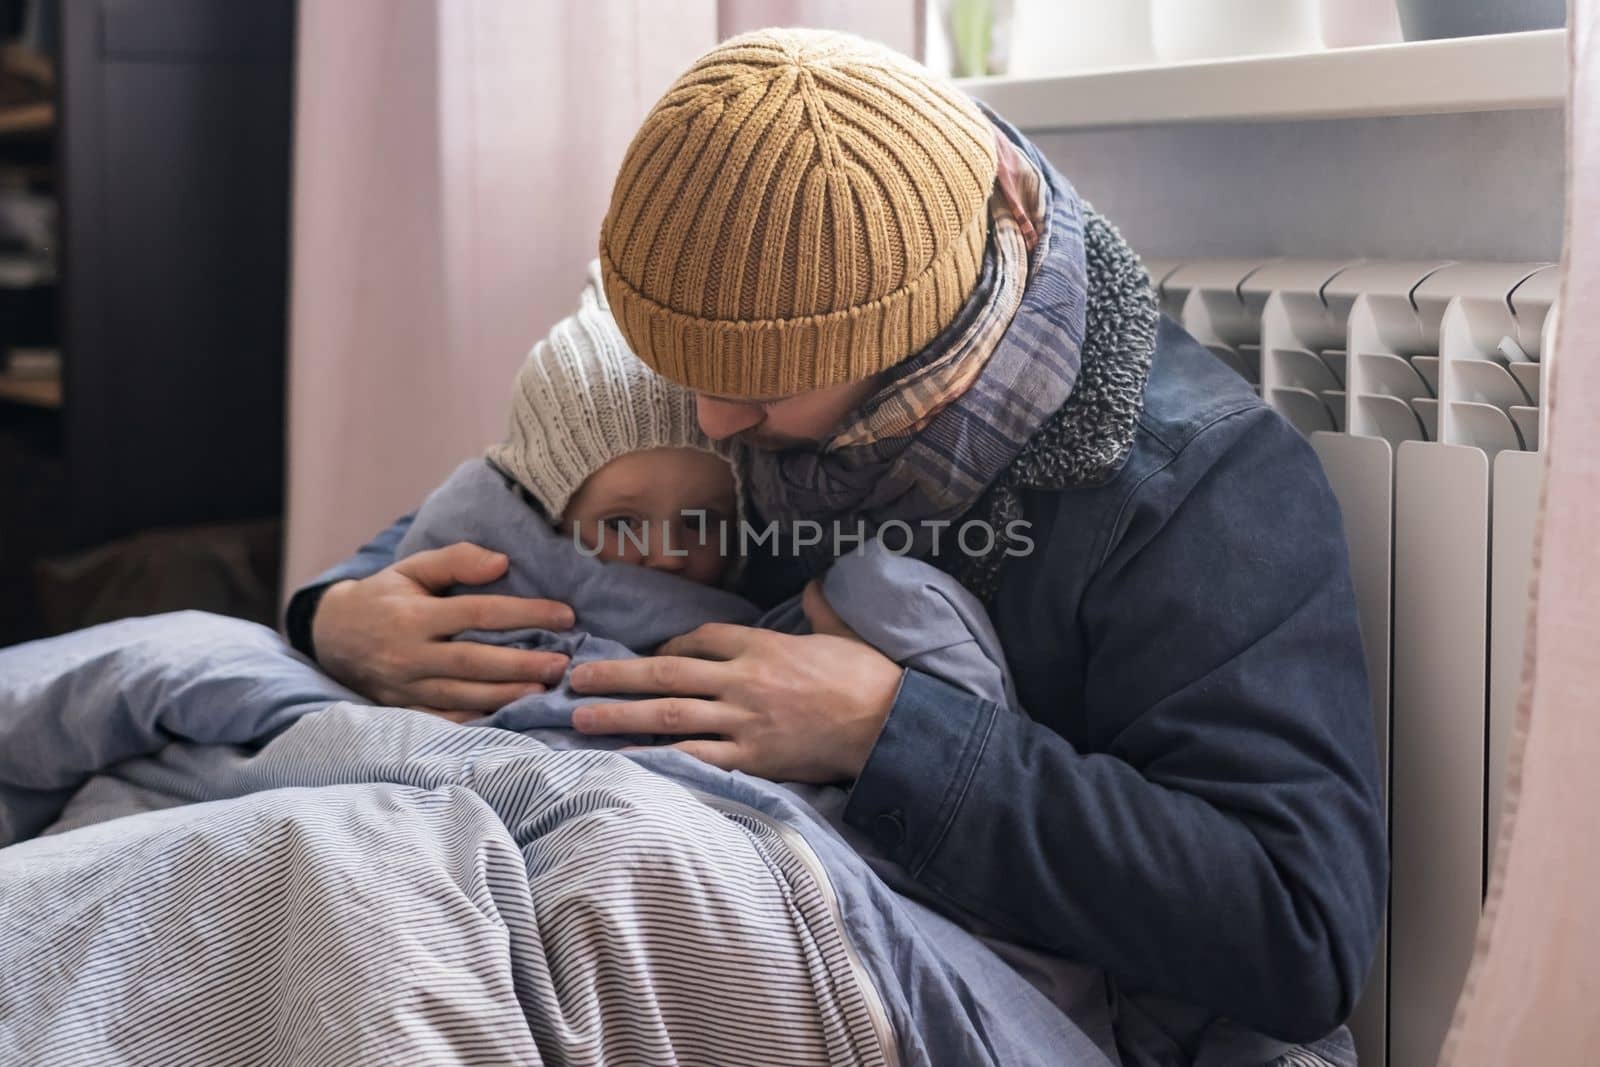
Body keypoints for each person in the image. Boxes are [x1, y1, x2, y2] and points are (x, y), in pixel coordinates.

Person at [286, 28, 1386, 1058]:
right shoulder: (720, 369)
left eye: (761, 388)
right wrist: (337, 611)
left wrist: (885, 729)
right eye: (679, 372)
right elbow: (517, 504)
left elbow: (1296, 925)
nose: (711, 420)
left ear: (910, 340)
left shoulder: (1193, 487)